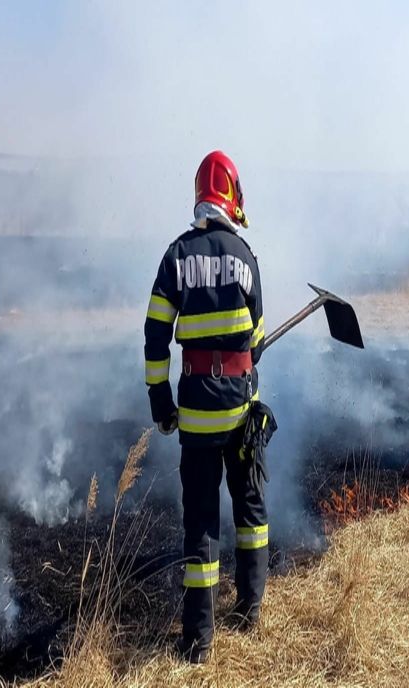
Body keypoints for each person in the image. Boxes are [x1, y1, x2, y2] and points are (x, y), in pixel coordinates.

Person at [144, 150, 269, 664]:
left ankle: (197, 641)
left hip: (196, 414)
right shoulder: (246, 256)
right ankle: (251, 609)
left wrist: (161, 400)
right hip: (242, 413)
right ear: (233, 196)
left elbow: (155, 336)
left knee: (200, 523)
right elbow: (257, 338)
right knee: (250, 510)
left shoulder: (175, 257)